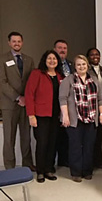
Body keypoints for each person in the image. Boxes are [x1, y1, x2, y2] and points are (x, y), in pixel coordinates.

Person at [59, 55, 102, 182]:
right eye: (79, 64)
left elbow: (100, 99)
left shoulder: (94, 80)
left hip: (91, 118)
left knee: (89, 146)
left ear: (87, 65)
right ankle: (76, 172)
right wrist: (65, 116)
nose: (81, 67)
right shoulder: (68, 80)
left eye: (84, 64)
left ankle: (87, 171)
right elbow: (62, 99)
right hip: (75, 119)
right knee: (75, 146)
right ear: (75, 66)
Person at [25, 50, 63, 182]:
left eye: (54, 59)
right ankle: (40, 171)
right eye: (49, 58)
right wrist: (31, 115)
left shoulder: (59, 76)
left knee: (52, 143)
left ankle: (49, 169)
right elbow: (29, 94)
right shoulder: (37, 74)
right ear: (44, 60)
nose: (52, 61)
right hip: (41, 115)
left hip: (55, 115)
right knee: (42, 143)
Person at [0, 31, 35, 170]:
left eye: (19, 41)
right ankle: (9, 166)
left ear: (22, 43)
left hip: (26, 104)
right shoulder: (2, 59)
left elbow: (32, 82)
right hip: (9, 104)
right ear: (9, 43)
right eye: (14, 41)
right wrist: (17, 97)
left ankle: (27, 164)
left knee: (26, 136)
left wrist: (27, 98)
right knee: (9, 137)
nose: (17, 44)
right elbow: (2, 82)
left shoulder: (29, 60)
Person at [87, 48, 102, 169]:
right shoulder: (86, 70)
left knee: (100, 135)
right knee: (91, 135)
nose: (95, 56)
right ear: (88, 57)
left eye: (97, 54)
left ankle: (98, 160)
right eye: (92, 55)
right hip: (90, 106)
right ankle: (90, 161)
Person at [53, 39, 73, 167]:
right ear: (55, 49)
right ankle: (54, 162)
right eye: (59, 48)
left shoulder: (71, 64)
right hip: (55, 103)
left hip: (70, 103)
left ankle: (64, 160)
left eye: (64, 48)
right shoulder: (52, 64)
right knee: (56, 135)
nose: (62, 50)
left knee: (67, 134)